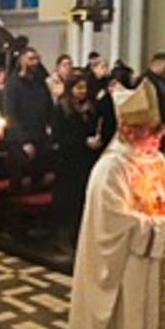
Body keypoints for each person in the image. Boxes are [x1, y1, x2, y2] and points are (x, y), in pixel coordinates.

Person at [66, 80, 165, 329]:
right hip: (128, 265)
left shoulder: (157, 161)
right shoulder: (110, 168)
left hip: (157, 258)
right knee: (129, 315)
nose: (160, 138)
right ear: (130, 131)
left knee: (156, 318)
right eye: (153, 131)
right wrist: (159, 224)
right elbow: (112, 224)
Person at [51, 75, 102, 247]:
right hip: (67, 160)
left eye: (84, 88)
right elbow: (59, 136)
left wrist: (94, 139)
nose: (82, 92)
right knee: (67, 200)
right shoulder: (61, 108)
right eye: (78, 88)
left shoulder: (89, 108)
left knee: (82, 199)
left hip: (84, 160)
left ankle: (79, 237)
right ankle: (63, 237)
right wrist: (83, 141)